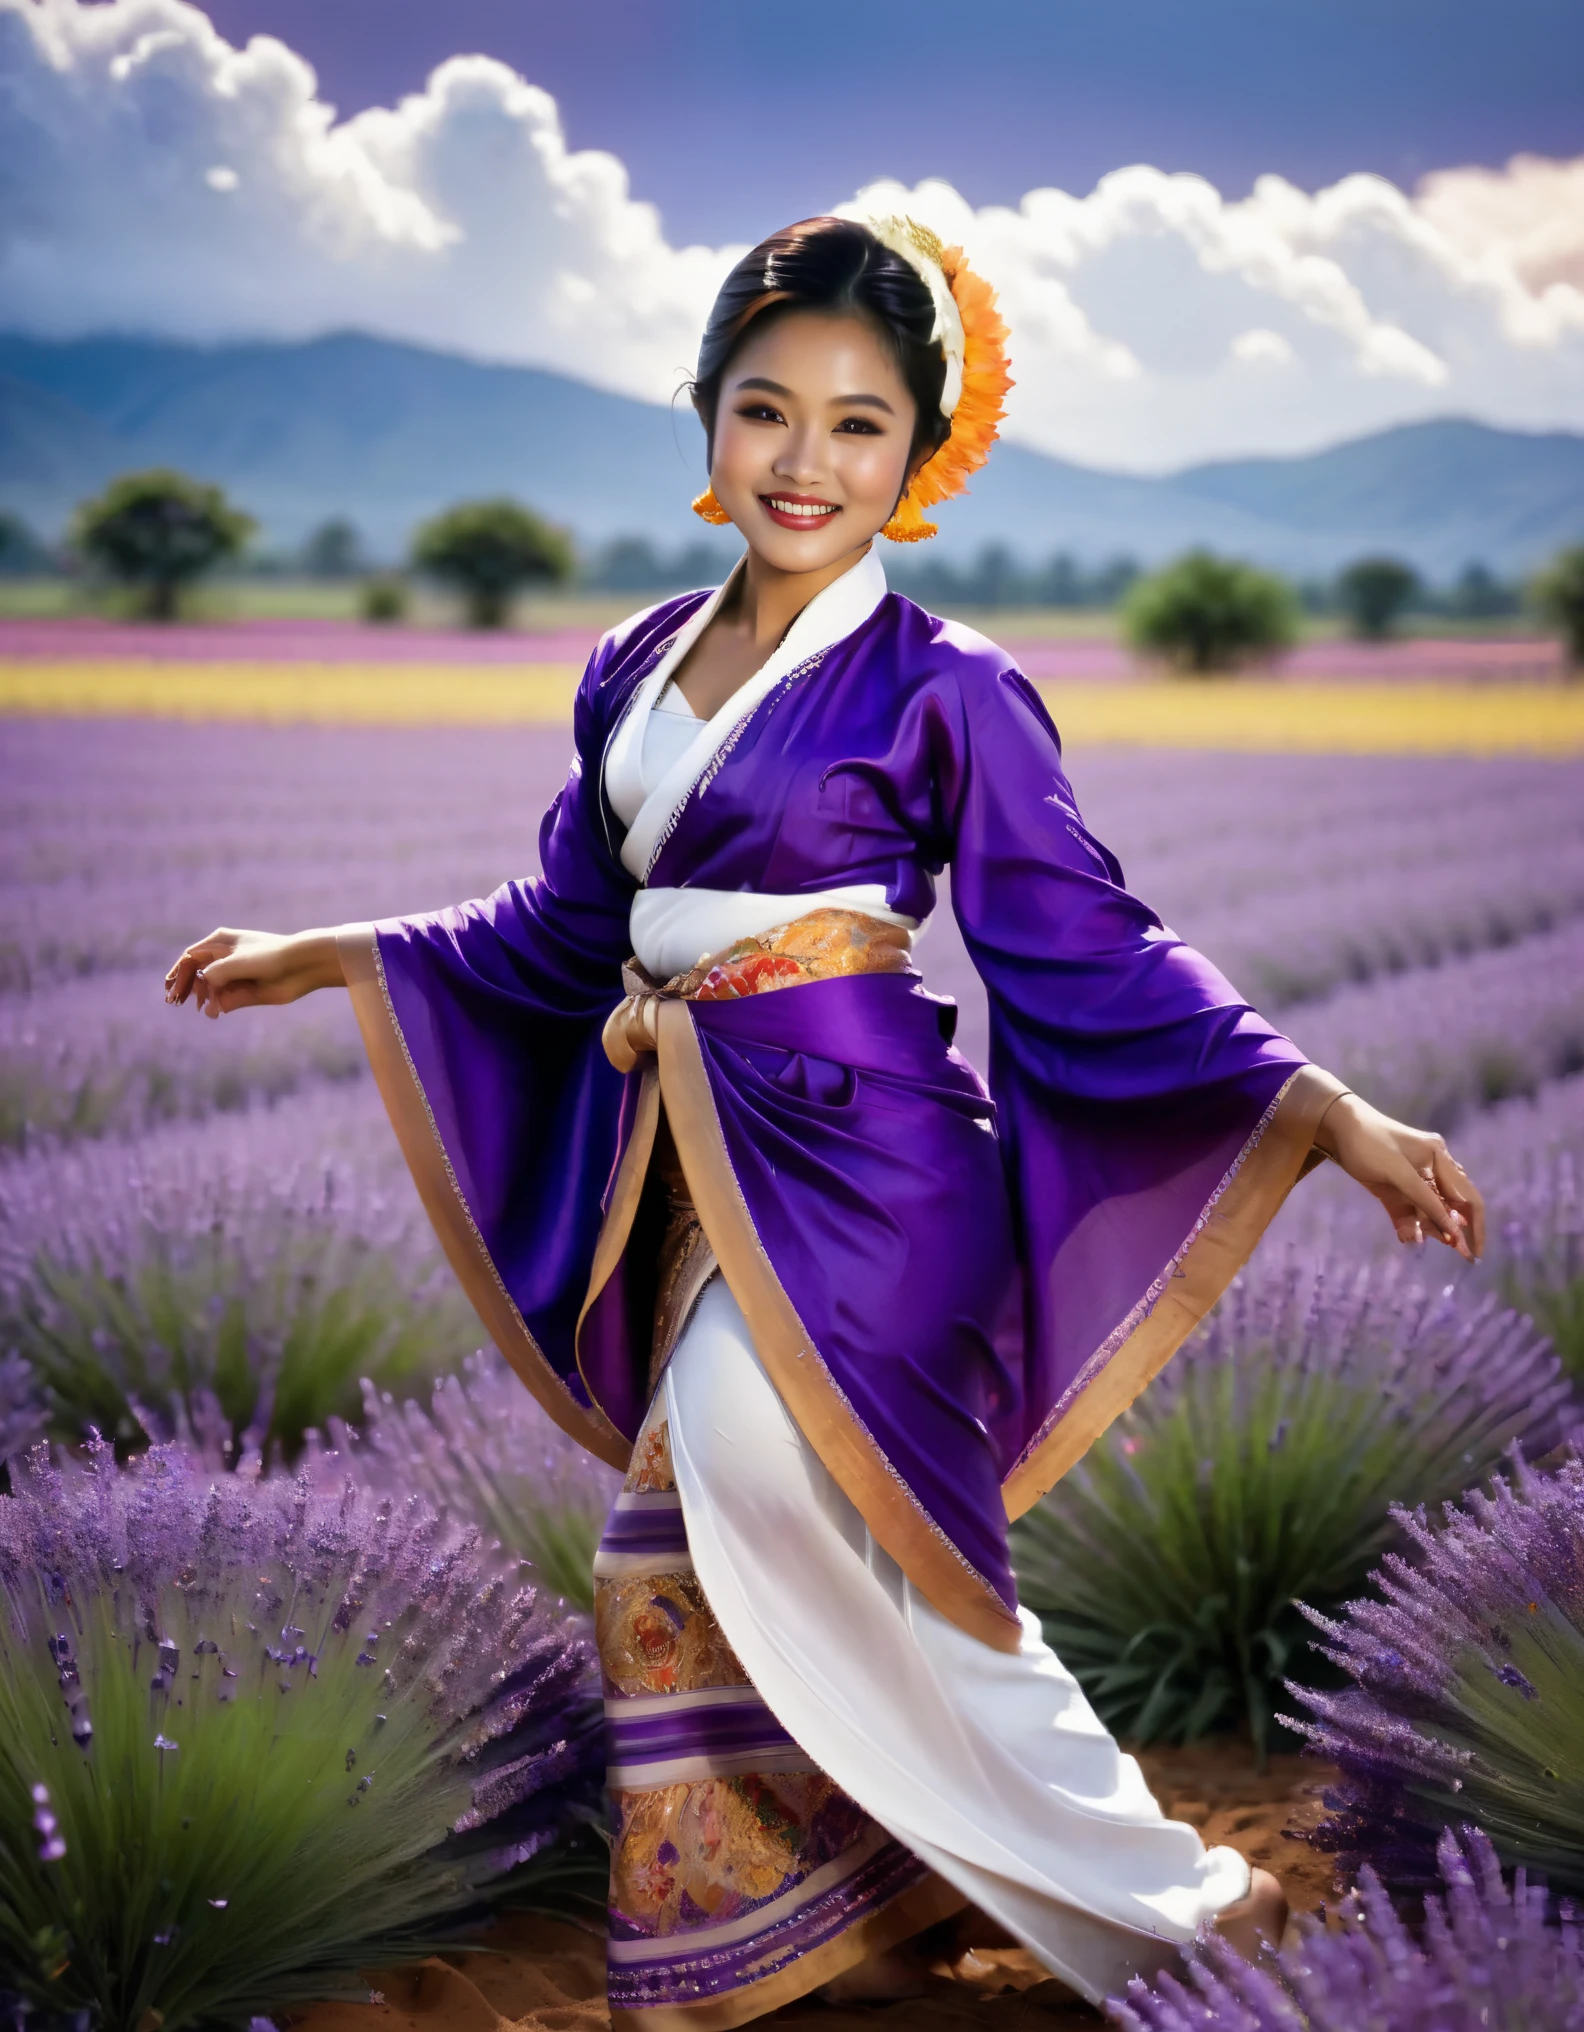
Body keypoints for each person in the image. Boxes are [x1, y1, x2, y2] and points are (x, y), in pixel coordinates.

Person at [166, 213, 1484, 2029]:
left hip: (871, 1169)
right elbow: (565, 925)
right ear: (705, 422)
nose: (807, 460)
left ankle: (1170, 1906)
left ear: (917, 458)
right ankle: (823, 1907)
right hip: (689, 1160)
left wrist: (1321, 1102)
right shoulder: (634, 662)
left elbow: (1087, 937)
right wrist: (336, 952)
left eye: (860, 425)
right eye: (767, 409)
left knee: (799, 1496)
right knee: (673, 1542)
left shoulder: (952, 684)